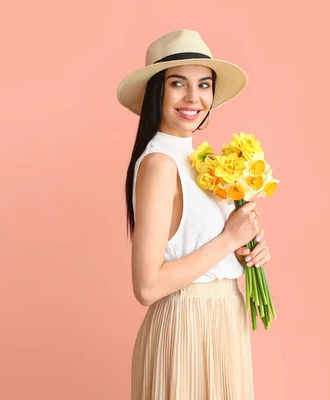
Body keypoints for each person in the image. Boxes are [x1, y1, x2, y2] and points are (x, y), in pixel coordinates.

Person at [117, 29, 272, 400]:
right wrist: (227, 239)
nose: (193, 97)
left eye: (204, 84)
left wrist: (243, 253)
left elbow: (194, 246)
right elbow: (147, 286)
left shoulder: (200, 163)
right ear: (157, 91)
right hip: (187, 327)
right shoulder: (159, 163)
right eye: (177, 84)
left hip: (223, 320)